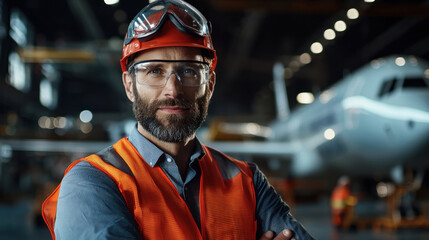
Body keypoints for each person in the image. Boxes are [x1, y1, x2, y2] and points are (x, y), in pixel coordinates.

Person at [42, 1, 314, 239]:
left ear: (210, 85)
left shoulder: (248, 181)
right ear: (129, 85)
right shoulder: (93, 183)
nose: (173, 90)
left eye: (189, 71)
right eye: (155, 71)